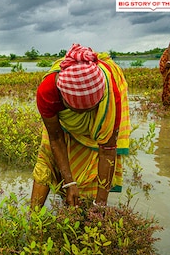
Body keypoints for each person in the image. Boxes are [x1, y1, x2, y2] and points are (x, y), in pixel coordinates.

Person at [31, 44, 130, 208]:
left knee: (91, 163)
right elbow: (55, 138)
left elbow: (107, 150)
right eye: (78, 110)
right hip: (60, 126)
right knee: (47, 157)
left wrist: (100, 206)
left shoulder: (110, 97)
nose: (84, 115)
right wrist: (69, 183)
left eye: (91, 110)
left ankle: (87, 211)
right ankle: (32, 220)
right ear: (64, 99)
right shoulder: (48, 92)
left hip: (100, 129)